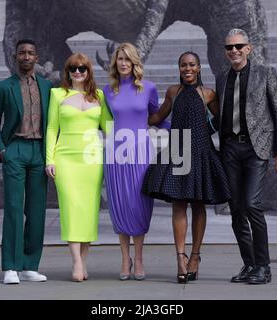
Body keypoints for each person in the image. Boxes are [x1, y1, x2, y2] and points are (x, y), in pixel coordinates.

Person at [142, 51, 231, 283]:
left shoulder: (208, 94)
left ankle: (195, 256)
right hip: (178, 152)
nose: (187, 69)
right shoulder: (173, 92)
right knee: (179, 205)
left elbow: (223, 120)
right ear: (179, 68)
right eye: (183, 65)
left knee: (198, 205)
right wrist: (131, 116)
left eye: (192, 65)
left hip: (201, 153)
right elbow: (158, 116)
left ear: (199, 68)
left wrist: (207, 131)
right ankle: (180, 258)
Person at [216, 29, 277, 284]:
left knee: (252, 204)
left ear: (249, 48)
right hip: (230, 150)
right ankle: (249, 265)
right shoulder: (221, 77)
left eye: (239, 46)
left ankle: (264, 266)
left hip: (255, 149)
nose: (234, 50)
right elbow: (220, 116)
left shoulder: (265, 74)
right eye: (229, 47)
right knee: (236, 209)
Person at [0, 39, 52, 284]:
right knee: (14, 209)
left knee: (36, 211)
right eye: (22, 53)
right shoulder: (3, 87)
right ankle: (11, 267)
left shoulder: (47, 87)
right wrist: (2, 149)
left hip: (39, 152)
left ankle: (30, 266)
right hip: (14, 149)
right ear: (15, 57)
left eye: (31, 53)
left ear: (37, 57)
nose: (26, 56)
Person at [103, 43, 168, 281]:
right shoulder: (109, 91)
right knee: (120, 205)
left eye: (127, 60)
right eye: (120, 59)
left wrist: (182, 126)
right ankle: (124, 259)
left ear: (135, 63)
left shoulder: (149, 88)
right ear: (115, 62)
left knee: (139, 205)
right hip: (116, 153)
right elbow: (105, 122)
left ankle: (138, 258)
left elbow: (156, 117)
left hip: (141, 151)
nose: (123, 63)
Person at [45, 53, 112, 282]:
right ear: (67, 71)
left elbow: (109, 128)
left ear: (88, 71)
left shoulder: (100, 96)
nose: (77, 72)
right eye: (73, 68)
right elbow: (52, 129)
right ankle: (76, 261)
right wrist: (49, 160)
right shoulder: (57, 94)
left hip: (92, 160)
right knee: (71, 208)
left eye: (82, 68)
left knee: (88, 211)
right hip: (65, 158)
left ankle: (83, 261)